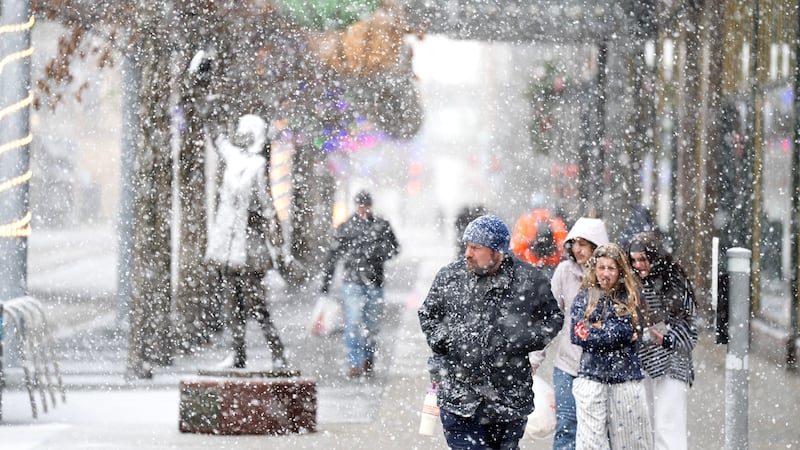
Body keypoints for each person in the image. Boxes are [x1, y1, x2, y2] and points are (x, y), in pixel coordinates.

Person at [419, 214, 564, 449]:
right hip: (459, 396)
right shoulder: (451, 277)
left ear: (497, 252)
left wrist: (523, 339)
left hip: (509, 399)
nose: (468, 253)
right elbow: (428, 314)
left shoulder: (528, 280)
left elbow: (553, 318)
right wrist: (445, 340)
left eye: (476, 248)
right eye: (467, 246)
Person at [206, 113, 287, 370]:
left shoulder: (257, 166)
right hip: (228, 246)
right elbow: (217, 137)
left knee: (256, 305)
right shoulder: (231, 157)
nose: (239, 135)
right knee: (232, 304)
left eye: (244, 132)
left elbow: (266, 204)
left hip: (250, 247)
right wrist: (208, 103)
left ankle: (278, 353)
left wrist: (276, 241)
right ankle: (237, 354)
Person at [570, 243, 652, 449]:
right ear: (594, 269)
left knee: (632, 443)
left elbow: (631, 330)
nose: (605, 273)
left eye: (611, 268)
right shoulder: (584, 297)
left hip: (626, 378)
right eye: (601, 267)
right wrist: (614, 332)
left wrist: (598, 327)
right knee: (590, 444)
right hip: (591, 376)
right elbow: (578, 334)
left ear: (620, 270)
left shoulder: (632, 296)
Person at [627, 232, 698, 450]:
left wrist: (668, 339)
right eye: (634, 260)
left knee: (669, 427)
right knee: (645, 426)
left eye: (643, 259)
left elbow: (691, 328)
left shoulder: (674, 281)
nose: (638, 265)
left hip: (672, 364)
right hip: (643, 363)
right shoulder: (632, 283)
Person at [320, 190, 400, 378]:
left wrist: (378, 253)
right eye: (360, 206)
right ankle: (355, 362)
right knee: (354, 322)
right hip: (353, 282)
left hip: (374, 282)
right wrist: (326, 283)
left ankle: (367, 357)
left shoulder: (381, 226)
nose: (363, 209)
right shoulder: (347, 228)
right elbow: (332, 256)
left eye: (365, 206)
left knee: (372, 324)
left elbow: (394, 248)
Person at [548, 217, 609, 450]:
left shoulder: (609, 275)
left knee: (598, 431)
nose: (577, 249)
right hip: (567, 366)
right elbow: (550, 318)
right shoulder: (564, 272)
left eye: (583, 244)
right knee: (566, 426)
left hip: (600, 369)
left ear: (597, 246)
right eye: (574, 243)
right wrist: (535, 357)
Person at [509, 196, 568, 279]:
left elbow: (516, 248)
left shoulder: (524, 222)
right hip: (553, 267)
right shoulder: (555, 222)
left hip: (531, 267)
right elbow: (564, 247)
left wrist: (530, 245)